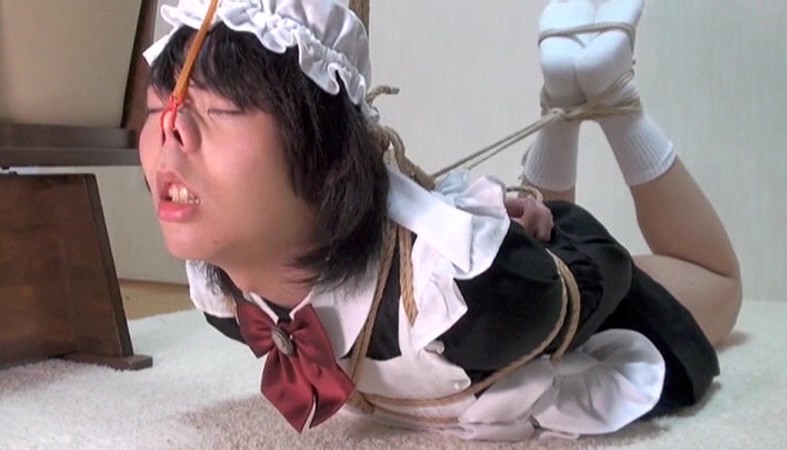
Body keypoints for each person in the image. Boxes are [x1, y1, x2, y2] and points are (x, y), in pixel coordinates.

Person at [138, 0, 742, 441]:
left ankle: (614, 98)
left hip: (550, 290)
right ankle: (565, 95)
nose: (170, 132)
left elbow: (597, 262)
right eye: (156, 106)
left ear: (328, 154)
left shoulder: (458, 297)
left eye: (220, 108)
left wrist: (535, 237)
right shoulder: (222, 296)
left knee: (718, 286)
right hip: (512, 296)